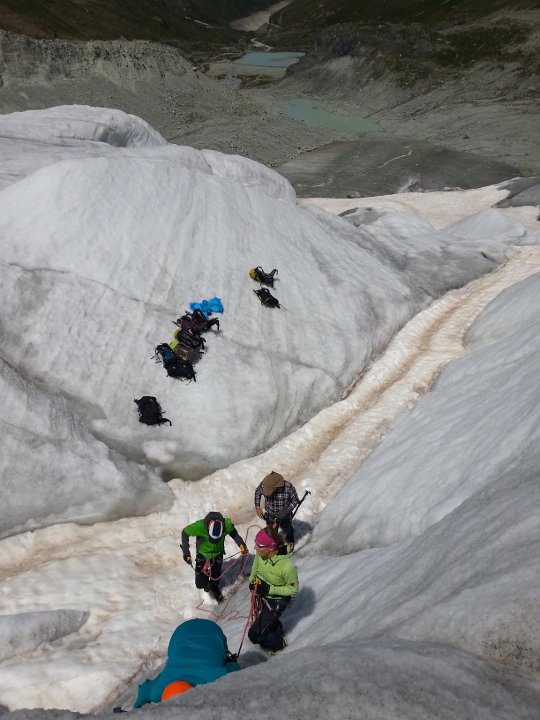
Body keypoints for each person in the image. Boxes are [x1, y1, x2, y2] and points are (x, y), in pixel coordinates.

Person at [134, 619, 240, 708]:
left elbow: (234, 668)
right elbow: (144, 690)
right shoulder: (158, 690)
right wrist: (137, 708)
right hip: (182, 634)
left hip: (211, 632)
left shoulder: (213, 680)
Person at [248, 526, 299, 653]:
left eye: (259, 546)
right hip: (264, 593)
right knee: (268, 621)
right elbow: (256, 565)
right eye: (255, 543)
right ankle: (276, 628)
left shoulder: (286, 567)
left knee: (253, 635)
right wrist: (252, 581)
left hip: (277, 601)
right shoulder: (261, 553)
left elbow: (293, 590)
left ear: (271, 548)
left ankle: (278, 646)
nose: (255, 547)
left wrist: (270, 589)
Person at [181, 511, 248, 602]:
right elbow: (185, 532)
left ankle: (214, 588)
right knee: (200, 584)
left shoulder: (227, 525)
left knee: (216, 576)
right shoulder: (199, 526)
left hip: (218, 553)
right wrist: (186, 553)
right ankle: (207, 585)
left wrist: (241, 544)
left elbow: (234, 534)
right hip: (203, 554)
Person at [254, 471, 299, 545]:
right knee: (272, 533)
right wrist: (257, 507)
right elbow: (258, 492)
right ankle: (275, 546)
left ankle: (290, 542)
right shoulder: (265, 484)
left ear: (276, 486)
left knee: (287, 529)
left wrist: (287, 510)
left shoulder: (288, 487)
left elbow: (295, 500)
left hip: (284, 515)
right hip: (270, 514)